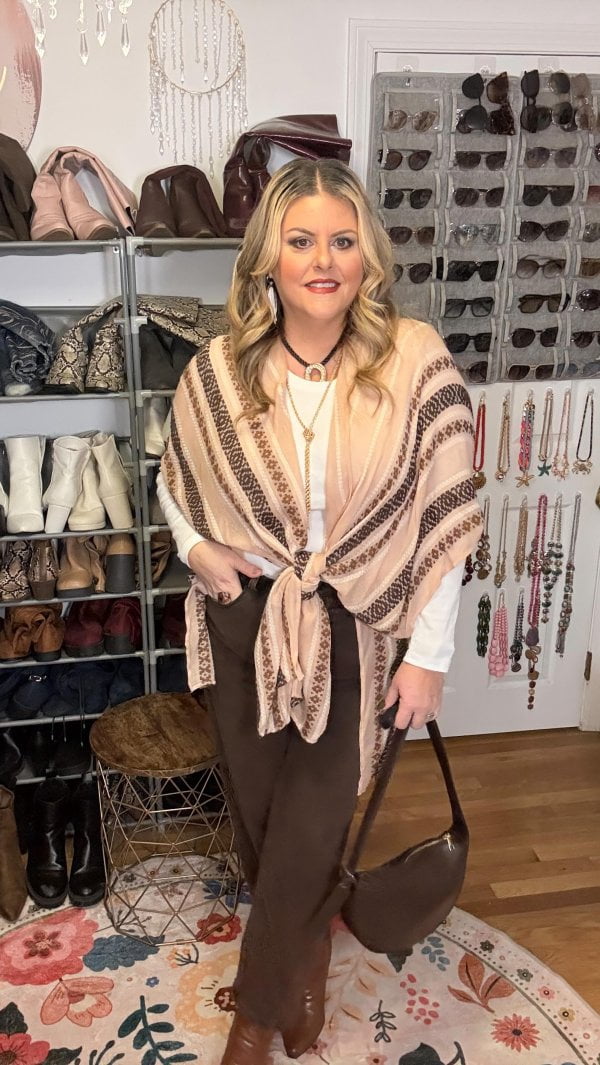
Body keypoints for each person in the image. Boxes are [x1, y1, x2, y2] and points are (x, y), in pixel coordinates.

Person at [159, 157, 482, 1065]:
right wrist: (197, 549)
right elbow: (176, 477)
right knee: (265, 830)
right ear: (269, 256)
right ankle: (303, 963)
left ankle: (252, 1023)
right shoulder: (218, 372)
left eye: (342, 240)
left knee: (311, 824)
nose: (323, 260)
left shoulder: (413, 361)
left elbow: (448, 516)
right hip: (244, 618)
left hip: (355, 626)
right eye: (300, 240)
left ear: (367, 256)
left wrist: (430, 655)